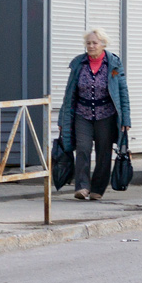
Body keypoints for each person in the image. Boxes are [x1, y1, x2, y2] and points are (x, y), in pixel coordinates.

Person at [58, 29, 130, 200]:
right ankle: (82, 186)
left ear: (103, 44)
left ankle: (98, 188)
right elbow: (68, 94)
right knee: (82, 148)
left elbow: (123, 92)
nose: (90, 46)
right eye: (88, 43)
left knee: (103, 152)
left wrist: (126, 118)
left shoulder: (113, 64)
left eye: (94, 43)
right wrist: (63, 117)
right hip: (82, 114)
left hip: (106, 114)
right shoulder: (79, 64)